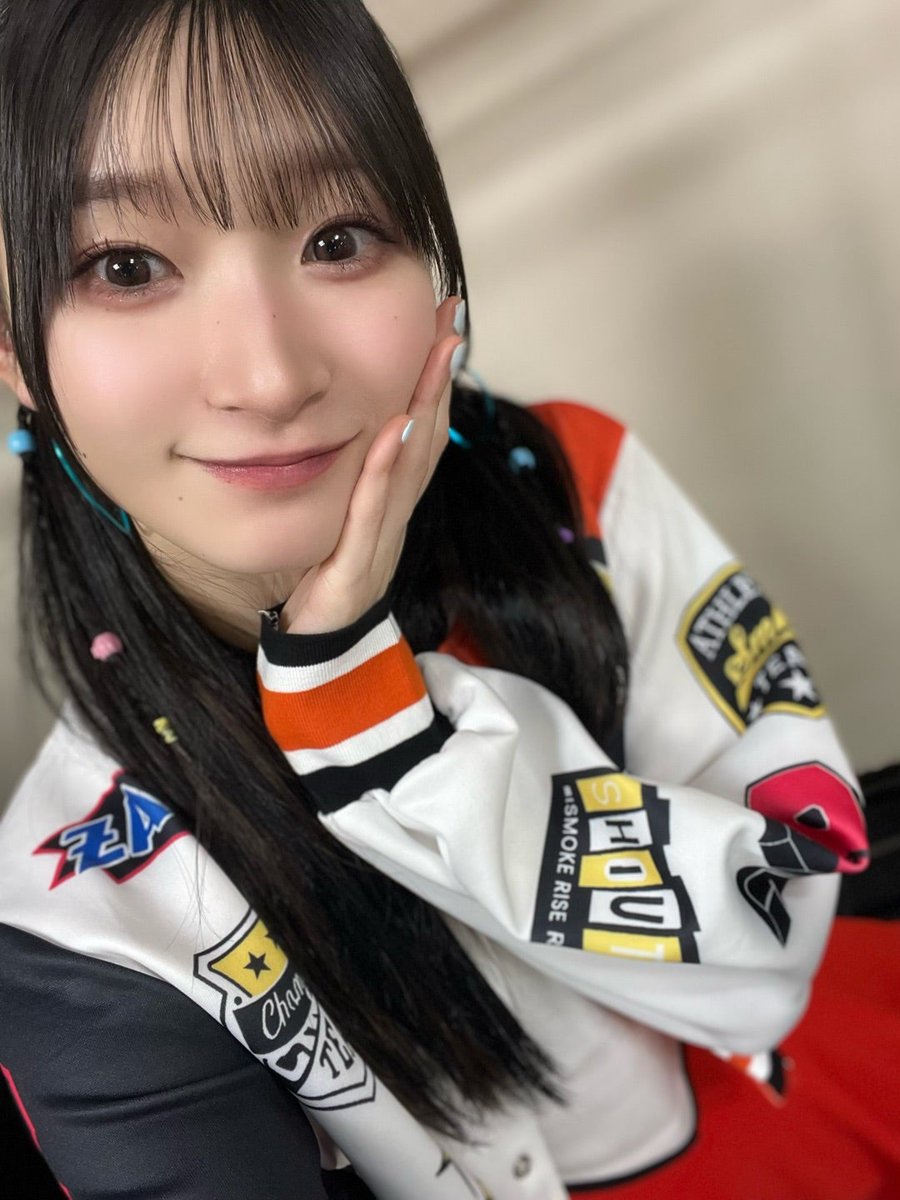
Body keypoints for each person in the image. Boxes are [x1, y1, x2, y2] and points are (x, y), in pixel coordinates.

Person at [0, 2, 897, 1197]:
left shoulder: (570, 484)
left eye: (338, 237)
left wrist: (368, 719)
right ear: (11, 347)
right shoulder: (75, 918)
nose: (269, 375)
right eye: (126, 267)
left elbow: (777, 931)